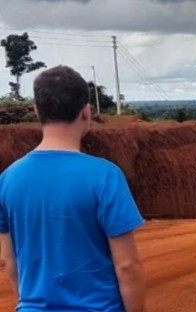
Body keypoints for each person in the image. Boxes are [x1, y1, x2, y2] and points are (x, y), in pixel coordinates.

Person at [0, 65, 146, 311]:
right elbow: (127, 267)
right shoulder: (106, 176)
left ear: (36, 111)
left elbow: (10, 262)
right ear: (86, 112)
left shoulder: (7, 179)